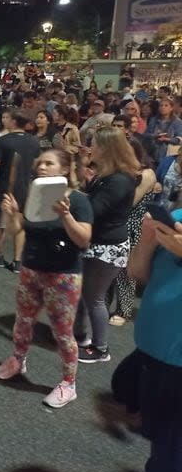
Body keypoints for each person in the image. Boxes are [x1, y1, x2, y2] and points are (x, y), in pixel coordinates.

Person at [0, 150, 93, 408]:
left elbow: (83, 239)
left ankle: (68, 384)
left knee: (62, 332)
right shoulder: (35, 196)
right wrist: (13, 213)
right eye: (40, 163)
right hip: (32, 268)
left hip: (63, 275)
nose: (42, 167)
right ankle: (18, 360)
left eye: (49, 163)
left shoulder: (79, 200)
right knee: (23, 321)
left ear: (65, 169)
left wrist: (66, 216)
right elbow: (19, 230)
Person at [125, 210, 182, 472]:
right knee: (161, 449)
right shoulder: (177, 217)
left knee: (169, 465)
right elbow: (136, 272)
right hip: (153, 351)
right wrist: (147, 239)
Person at [74, 127, 139, 364]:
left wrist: (73, 199)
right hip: (100, 243)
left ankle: (101, 348)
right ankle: (80, 336)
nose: (91, 148)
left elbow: (95, 210)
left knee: (95, 298)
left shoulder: (119, 180)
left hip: (108, 247)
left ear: (107, 149)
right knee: (86, 294)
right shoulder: (108, 175)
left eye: (95, 145)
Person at [0, 110, 40, 273]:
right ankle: (17, 261)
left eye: (7, 118)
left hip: (5, 186)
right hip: (25, 187)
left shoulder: (3, 141)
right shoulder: (34, 142)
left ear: (13, 121)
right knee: (19, 224)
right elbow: (35, 166)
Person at [108, 139, 156, 325]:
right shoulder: (119, 172)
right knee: (107, 268)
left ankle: (124, 310)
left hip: (132, 225)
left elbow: (130, 202)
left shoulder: (147, 173)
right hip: (114, 224)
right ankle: (103, 306)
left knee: (125, 272)